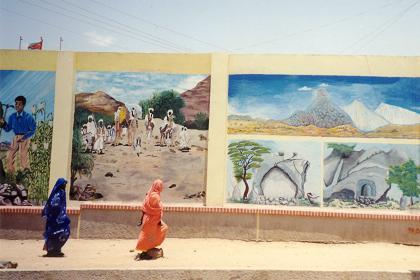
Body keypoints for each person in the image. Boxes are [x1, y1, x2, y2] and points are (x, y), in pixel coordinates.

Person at [0, 96, 36, 173]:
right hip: (15, 137)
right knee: (10, 155)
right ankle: (11, 173)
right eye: (16, 104)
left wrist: (24, 137)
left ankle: (26, 173)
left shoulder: (28, 117)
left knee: (23, 156)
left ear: (23, 105)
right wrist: (3, 124)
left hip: (25, 137)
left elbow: (33, 130)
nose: (17, 106)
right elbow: (7, 128)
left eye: (19, 104)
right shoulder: (12, 117)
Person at [135, 179, 168, 260]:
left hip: (149, 219)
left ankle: (147, 249)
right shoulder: (155, 196)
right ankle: (145, 252)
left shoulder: (149, 194)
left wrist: (141, 219)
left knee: (149, 234)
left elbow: (144, 208)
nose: (162, 187)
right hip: (152, 219)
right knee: (150, 234)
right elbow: (157, 209)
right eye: (161, 185)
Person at [41, 178, 70, 257]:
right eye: (64, 184)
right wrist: (58, 214)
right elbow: (54, 205)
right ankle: (51, 251)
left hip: (60, 219)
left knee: (63, 232)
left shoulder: (62, 193)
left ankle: (57, 250)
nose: (65, 186)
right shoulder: (57, 194)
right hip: (54, 220)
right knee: (53, 234)